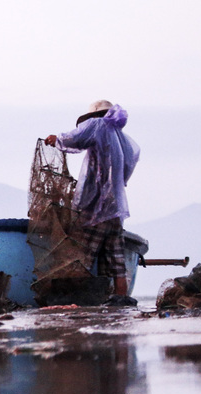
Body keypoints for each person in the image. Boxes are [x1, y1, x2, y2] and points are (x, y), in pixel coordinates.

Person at [44, 100, 140, 302]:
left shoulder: (97, 125)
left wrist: (56, 139)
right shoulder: (121, 137)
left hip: (95, 205)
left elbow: (75, 138)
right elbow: (129, 164)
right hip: (115, 207)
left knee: (82, 252)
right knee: (116, 257)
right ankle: (120, 297)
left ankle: (77, 299)